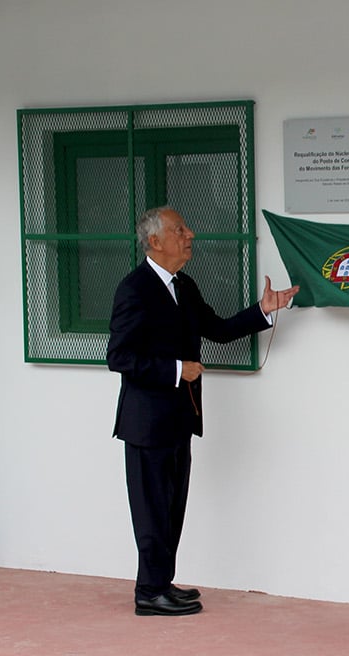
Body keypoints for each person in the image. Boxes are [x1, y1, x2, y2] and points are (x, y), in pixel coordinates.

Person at [107, 207, 298, 617]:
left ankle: (161, 583)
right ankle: (148, 593)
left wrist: (263, 310)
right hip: (145, 424)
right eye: (180, 230)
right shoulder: (134, 289)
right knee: (151, 510)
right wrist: (177, 370)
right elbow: (119, 357)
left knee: (172, 507)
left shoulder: (184, 285)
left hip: (180, 417)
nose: (190, 234)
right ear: (155, 242)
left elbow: (218, 330)